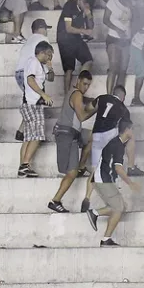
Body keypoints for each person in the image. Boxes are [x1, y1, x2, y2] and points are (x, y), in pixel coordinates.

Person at [85, 120, 140, 247]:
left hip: (102, 179)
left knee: (121, 207)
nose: (134, 132)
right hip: (103, 180)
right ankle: (105, 239)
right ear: (127, 130)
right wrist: (131, 184)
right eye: (133, 129)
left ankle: (95, 213)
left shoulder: (117, 142)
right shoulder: (118, 146)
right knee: (118, 208)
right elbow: (118, 168)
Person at [48, 70, 95, 213]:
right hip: (66, 134)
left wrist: (96, 100)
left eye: (88, 85)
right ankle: (55, 200)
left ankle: (81, 166)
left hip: (73, 134)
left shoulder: (76, 94)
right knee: (71, 173)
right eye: (85, 83)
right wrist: (95, 108)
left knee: (94, 136)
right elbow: (81, 116)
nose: (86, 87)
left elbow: (83, 102)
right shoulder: (76, 94)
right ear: (78, 81)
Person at [14, 19, 55, 142]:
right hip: (31, 73)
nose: (46, 31)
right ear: (40, 28)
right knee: (36, 102)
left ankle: (21, 132)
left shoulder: (29, 41)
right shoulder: (42, 40)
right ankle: (32, 134)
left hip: (19, 72)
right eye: (45, 28)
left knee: (31, 102)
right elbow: (44, 61)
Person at [19, 41, 54, 178]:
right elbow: (30, 80)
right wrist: (43, 94)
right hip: (33, 103)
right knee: (38, 135)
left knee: (28, 138)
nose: (50, 57)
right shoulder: (33, 62)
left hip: (30, 103)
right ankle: (25, 165)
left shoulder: (40, 65)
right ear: (42, 52)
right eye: (49, 54)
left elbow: (50, 79)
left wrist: (50, 68)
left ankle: (23, 168)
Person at [56, 0, 94, 94]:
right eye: (85, 5)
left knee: (88, 60)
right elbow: (68, 28)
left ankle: (78, 90)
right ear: (81, 0)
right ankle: (67, 95)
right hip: (64, 38)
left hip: (76, 38)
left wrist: (89, 15)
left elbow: (91, 27)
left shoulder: (86, 8)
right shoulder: (70, 6)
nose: (86, 8)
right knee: (69, 68)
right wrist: (84, 31)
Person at [104, 0, 135, 94]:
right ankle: (108, 94)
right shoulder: (112, 2)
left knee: (123, 70)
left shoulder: (131, 5)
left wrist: (133, 8)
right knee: (113, 68)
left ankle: (117, 97)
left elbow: (135, 21)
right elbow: (105, 20)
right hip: (113, 38)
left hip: (126, 40)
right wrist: (118, 30)